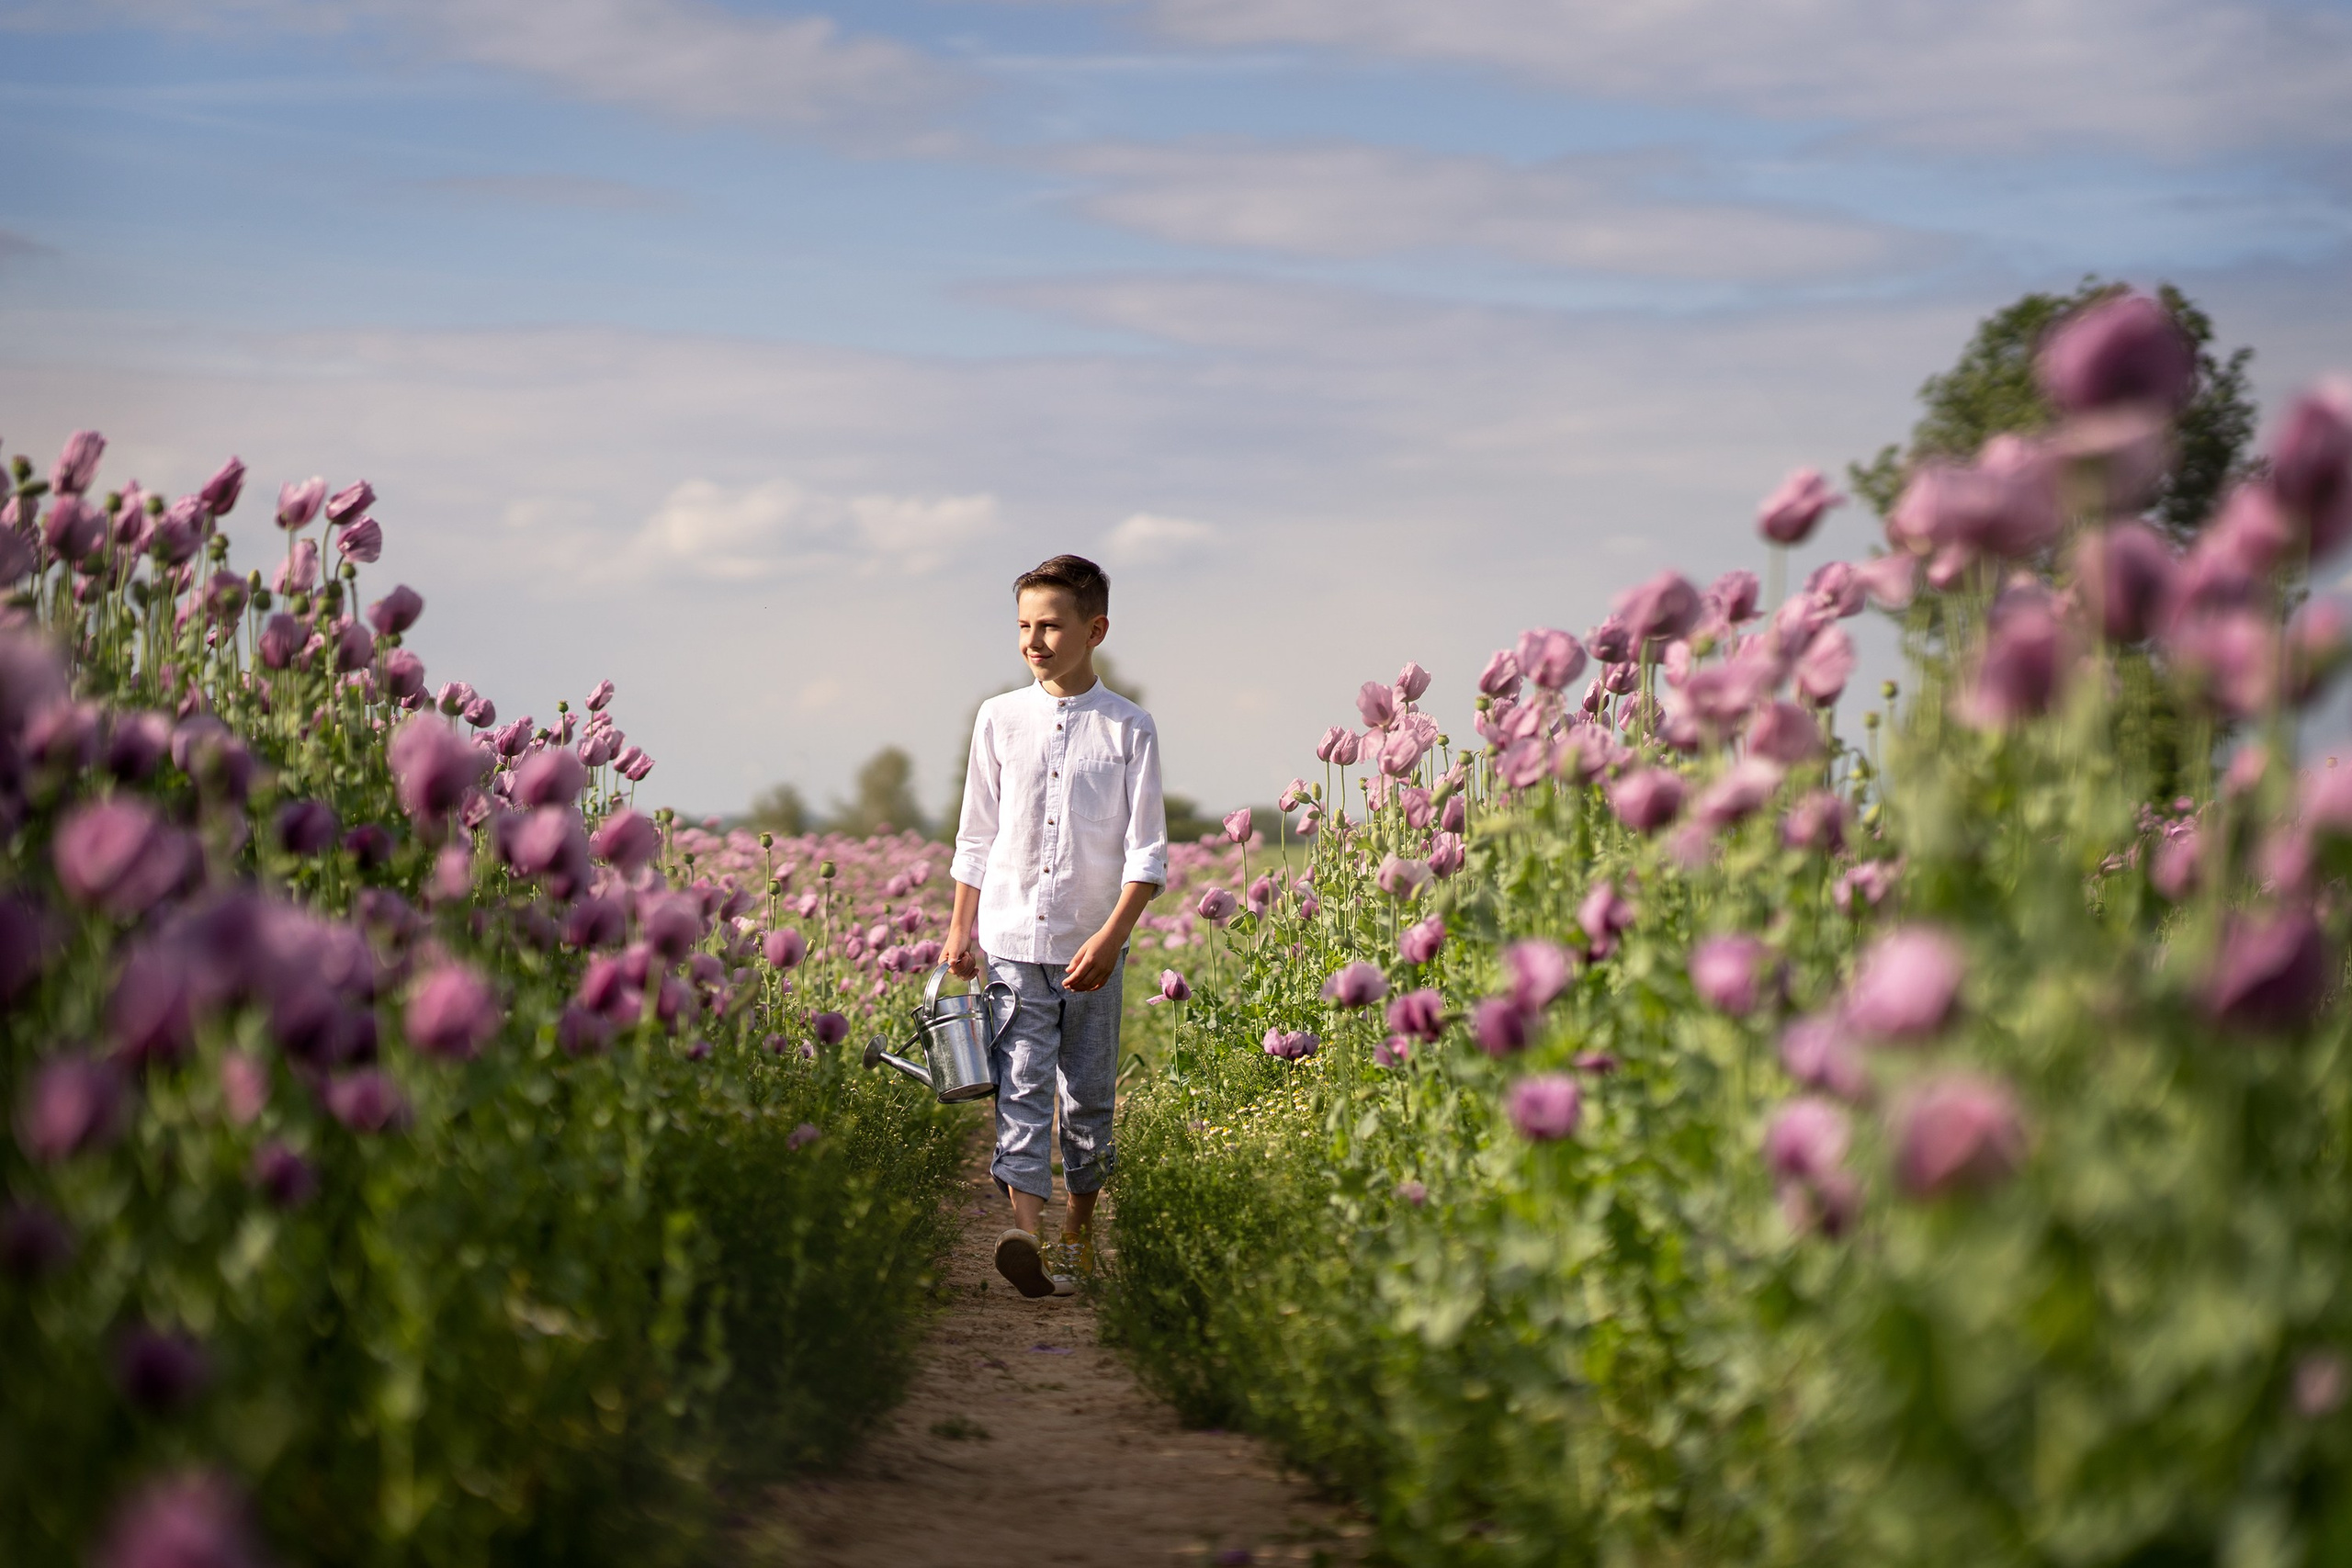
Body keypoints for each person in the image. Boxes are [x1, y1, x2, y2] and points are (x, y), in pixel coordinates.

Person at [944, 554, 1167, 1298]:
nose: (1032, 641)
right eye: (1023, 626)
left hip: (1091, 948)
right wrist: (959, 928)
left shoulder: (1130, 728)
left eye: (1050, 625)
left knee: (1089, 1097)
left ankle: (1078, 1233)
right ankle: (1027, 1240)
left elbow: (1147, 851)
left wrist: (1111, 935)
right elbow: (976, 832)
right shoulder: (998, 718)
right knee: (1023, 1087)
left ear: (1094, 629)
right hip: (1009, 942)